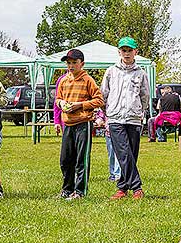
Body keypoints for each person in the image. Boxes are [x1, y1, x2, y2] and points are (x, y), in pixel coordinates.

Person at [101, 37, 150, 200]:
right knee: (122, 151)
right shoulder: (111, 71)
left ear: (136, 52)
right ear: (119, 52)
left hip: (134, 118)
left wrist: (140, 111)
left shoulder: (141, 73)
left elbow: (145, 95)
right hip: (115, 118)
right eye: (124, 50)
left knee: (131, 153)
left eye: (130, 50)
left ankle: (122, 188)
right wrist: (106, 113)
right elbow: (104, 93)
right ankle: (137, 187)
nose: (126, 53)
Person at [55, 49, 104, 200]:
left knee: (81, 159)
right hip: (68, 124)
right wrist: (61, 103)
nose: (71, 66)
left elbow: (99, 100)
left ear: (82, 64)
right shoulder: (63, 80)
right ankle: (67, 189)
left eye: (74, 63)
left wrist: (80, 105)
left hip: (83, 123)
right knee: (65, 159)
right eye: (68, 63)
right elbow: (57, 99)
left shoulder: (88, 80)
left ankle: (80, 191)